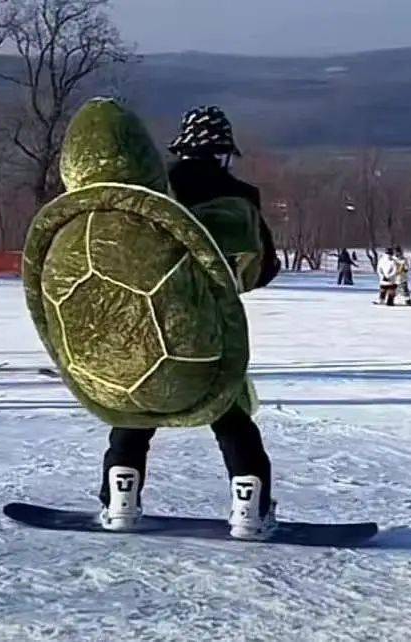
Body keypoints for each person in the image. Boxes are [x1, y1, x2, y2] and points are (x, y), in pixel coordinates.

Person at [99, 105, 281, 540]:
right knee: (229, 414)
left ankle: (121, 501)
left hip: (148, 320)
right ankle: (249, 508)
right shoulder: (241, 198)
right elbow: (265, 267)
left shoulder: (152, 191)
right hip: (212, 325)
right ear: (223, 153)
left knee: (138, 406)